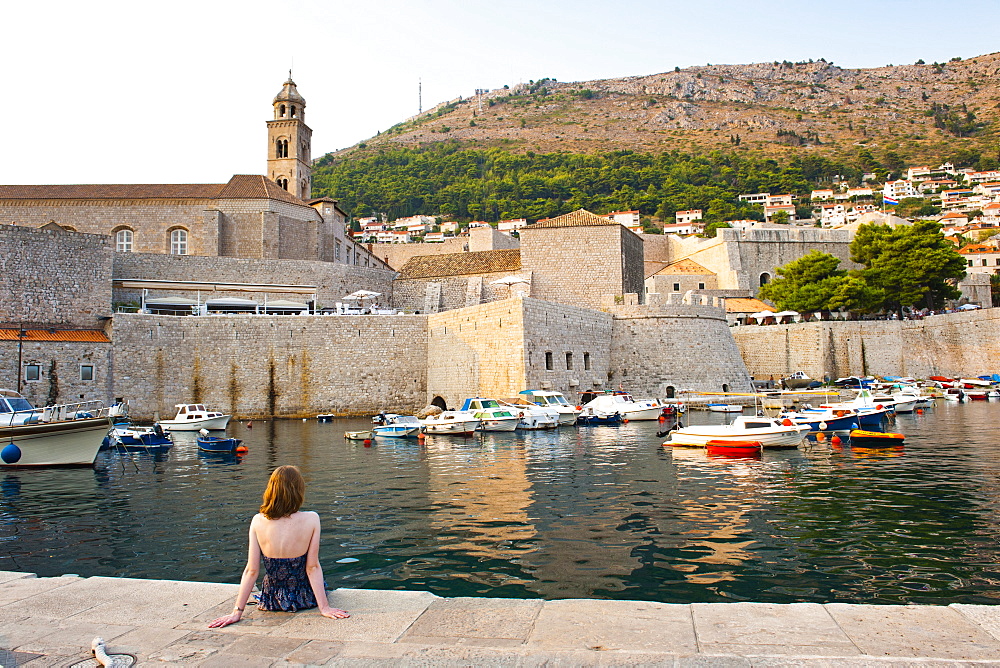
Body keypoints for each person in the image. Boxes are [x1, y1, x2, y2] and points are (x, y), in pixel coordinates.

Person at [209, 465, 349, 628]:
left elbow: (252, 570)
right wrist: (324, 608)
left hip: (272, 599)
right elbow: (312, 568)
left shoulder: (257, 521)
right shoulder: (312, 519)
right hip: (303, 597)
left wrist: (237, 612)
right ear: (298, 491)